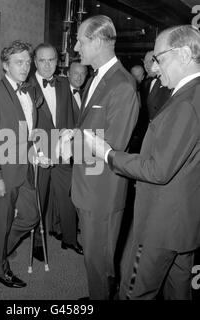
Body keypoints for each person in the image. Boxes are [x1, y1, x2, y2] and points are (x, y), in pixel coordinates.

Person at [85, 24, 200, 300]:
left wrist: (107, 153)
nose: (155, 68)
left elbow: (157, 170)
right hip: (183, 223)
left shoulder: (185, 103)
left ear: (183, 55)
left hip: (159, 224)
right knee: (177, 292)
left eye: (159, 58)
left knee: (134, 293)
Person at [71, 15, 139, 299]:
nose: (76, 47)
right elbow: (88, 129)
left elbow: (112, 147)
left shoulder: (122, 85)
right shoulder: (98, 77)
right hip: (87, 187)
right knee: (93, 260)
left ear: (98, 42)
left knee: (100, 263)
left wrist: (66, 144)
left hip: (101, 193)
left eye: (81, 41)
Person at [0, 40, 40, 288]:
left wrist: (36, 151)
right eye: (18, 62)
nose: (25, 67)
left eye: (27, 62)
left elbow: (27, 132)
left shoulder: (29, 90)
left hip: (23, 168)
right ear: (5, 65)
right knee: (0, 224)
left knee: (30, 216)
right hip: (2, 171)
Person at [28, 43, 83, 262]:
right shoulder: (27, 85)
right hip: (40, 152)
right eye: (42, 60)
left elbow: (68, 116)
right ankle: (38, 243)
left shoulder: (62, 83)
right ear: (35, 62)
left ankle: (69, 238)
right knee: (39, 198)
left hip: (62, 151)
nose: (48, 64)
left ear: (57, 61)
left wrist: (70, 147)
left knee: (68, 195)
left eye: (52, 60)